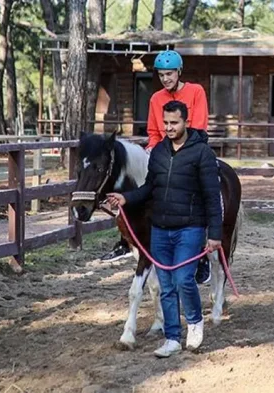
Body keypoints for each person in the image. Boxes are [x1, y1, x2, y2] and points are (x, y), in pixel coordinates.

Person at [107, 100, 222, 357]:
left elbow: (212, 197)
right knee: (166, 284)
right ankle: (172, 337)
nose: (169, 128)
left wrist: (214, 234)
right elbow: (150, 187)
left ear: (186, 122)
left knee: (183, 280)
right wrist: (128, 198)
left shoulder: (202, 153)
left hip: (190, 227)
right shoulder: (159, 152)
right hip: (160, 227)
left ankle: (194, 322)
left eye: (174, 123)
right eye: (166, 123)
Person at [100, 50, 212, 287]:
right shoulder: (155, 99)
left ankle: (202, 252)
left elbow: (199, 126)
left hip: (191, 149)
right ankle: (129, 237)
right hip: (162, 152)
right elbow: (153, 132)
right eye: (161, 75)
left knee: (201, 190)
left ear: (179, 72)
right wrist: (153, 150)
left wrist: (182, 152)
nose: (166, 79)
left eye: (170, 74)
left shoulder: (196, 91)